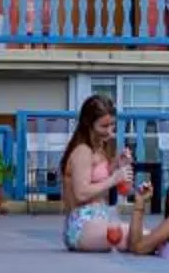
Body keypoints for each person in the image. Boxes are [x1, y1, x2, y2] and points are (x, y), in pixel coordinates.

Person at [58, 94, 135, 252]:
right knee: (137, 236)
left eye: (112, 125)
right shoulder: (82, 151)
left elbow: (105, 184)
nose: (109, 131)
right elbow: (81, 193)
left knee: (142, 236)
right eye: (104, 126)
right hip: (81, 224)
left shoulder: (101, 148)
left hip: (100, 217)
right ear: (89, 125)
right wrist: (114, 178)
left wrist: (118, 165)